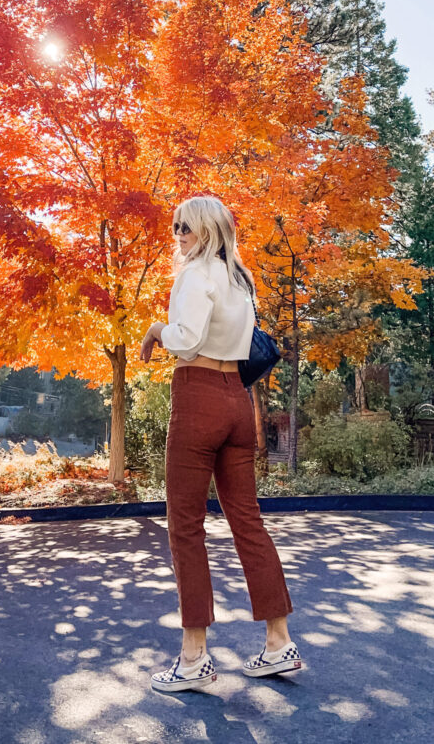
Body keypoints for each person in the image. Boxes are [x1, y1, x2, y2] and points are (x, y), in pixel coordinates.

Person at [140, 195, 303, 692]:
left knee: (185, 526)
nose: (178, 235)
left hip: (199, 397)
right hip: (238, 400)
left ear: (208, 228)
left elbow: (186, 339)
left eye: (186, 227)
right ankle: (280, 642)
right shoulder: (240, 277)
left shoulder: (196, 274)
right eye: (174, 228)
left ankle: (193, 660)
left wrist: (155, 330)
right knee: (247, 520)